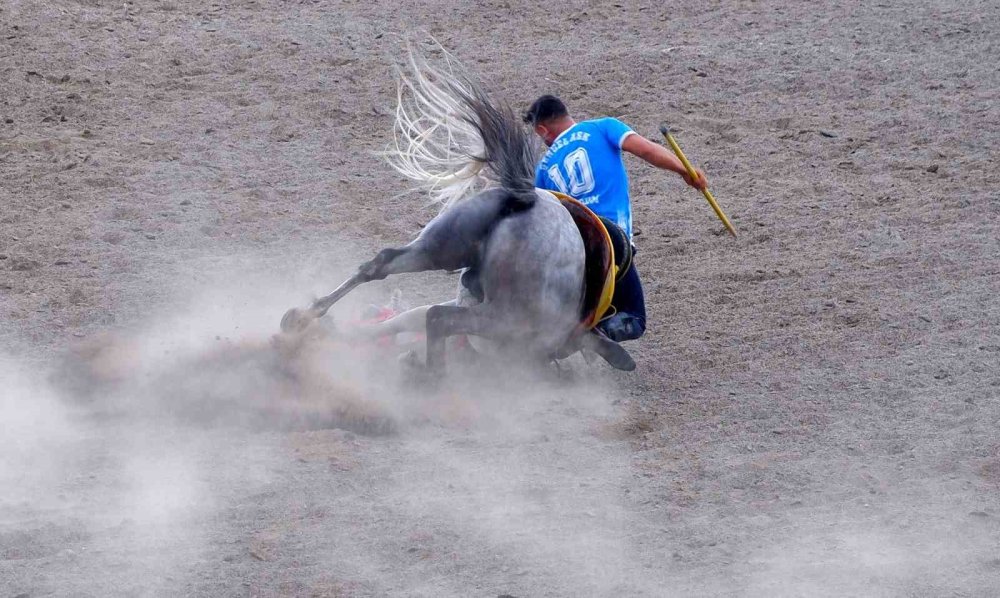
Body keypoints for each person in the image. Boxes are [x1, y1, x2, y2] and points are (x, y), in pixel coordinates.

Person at [522, 95, 708, 342]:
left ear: (543, 129)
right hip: (608, 236)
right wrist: (685, 171)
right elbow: (646, 150)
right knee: (635, 318)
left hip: (567, 244)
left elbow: (535, 213)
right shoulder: (603, 127)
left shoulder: (543, 167)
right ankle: (598, 332)